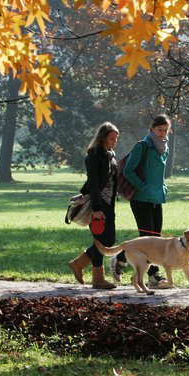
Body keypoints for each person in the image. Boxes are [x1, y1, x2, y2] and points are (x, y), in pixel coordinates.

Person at [112, 114, 171, 287]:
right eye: (159, 130)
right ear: (152, 129)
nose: (162, 133)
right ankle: (150, 275)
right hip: (141, 198)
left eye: (166, 130)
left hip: (157, 197)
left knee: (156, 239)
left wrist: (163, 187)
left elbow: (159, 173)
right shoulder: (143, 146)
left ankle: (123, 260)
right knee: (146, 239)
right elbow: (128, 171)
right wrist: (143, 187)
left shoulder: (164, 148)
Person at [68, 122, 119, 289]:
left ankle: (79, 263)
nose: (115, 141)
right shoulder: (93, 157)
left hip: (109, 203)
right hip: (98, 204)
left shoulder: (110, 155)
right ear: (103, 138)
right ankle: (97, 279)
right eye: (112, 138)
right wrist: (97, 209)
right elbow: (94, 184)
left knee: (109, 240)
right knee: (101, 239)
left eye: (116, 138)